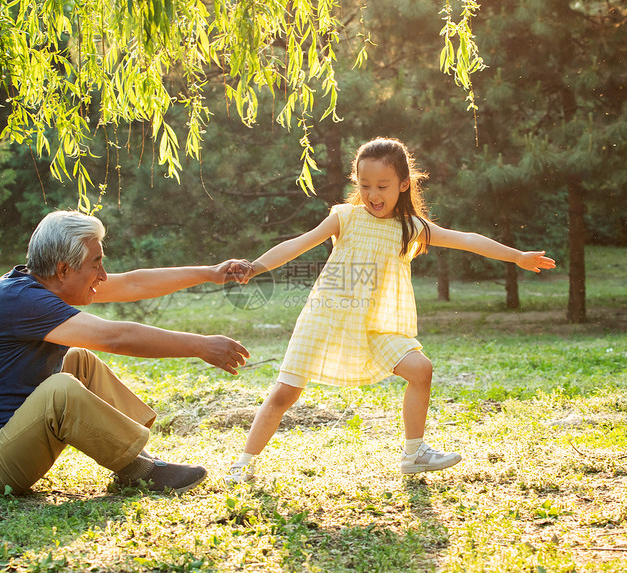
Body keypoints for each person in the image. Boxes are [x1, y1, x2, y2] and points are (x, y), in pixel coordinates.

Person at [225, 137, 556, 484]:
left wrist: (517, 256)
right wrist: (256, 266)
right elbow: (297, 244)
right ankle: (243, 464)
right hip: (327, 318)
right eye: (364, 185)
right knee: (285, 393)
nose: (372, 194)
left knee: (420, 369)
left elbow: (467, 238)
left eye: (382, 185)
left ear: (403, 184)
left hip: (376, 326)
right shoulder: (346, 217)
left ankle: (414, 452)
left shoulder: (410, 227)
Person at [0, 210, 251, 495]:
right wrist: (200, 345)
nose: (102, 275)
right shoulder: (23, 301)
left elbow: (132, 284)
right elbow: (116, 338)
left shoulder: (43, 285)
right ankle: (137, 470)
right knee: (59, 390)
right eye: (96, 263)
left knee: (79, 361)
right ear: (64, 269)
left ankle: (140, 458)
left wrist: (210, 272)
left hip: (3, 446)